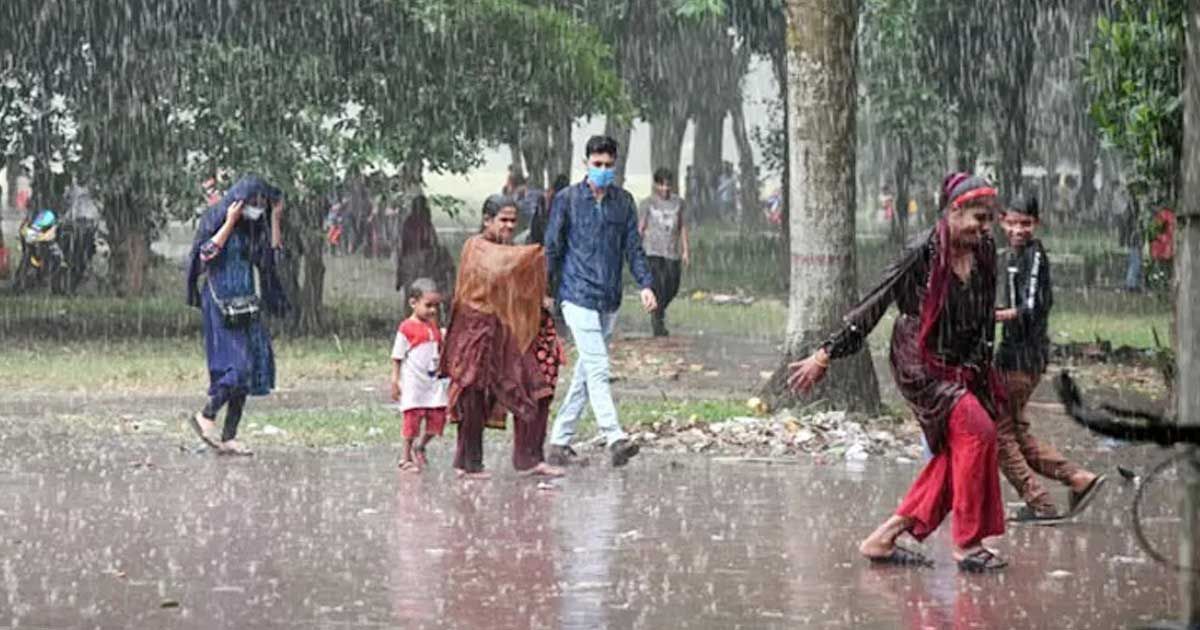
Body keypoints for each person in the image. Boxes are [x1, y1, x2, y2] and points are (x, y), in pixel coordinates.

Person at [790, 173, 1009, 572]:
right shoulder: (922, 249)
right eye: (979, 218)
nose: (984, 227)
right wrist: (827, 352)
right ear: (954, 211)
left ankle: (884, 538)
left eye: (989, 219)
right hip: (919, 362)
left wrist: (984, 368)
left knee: (956, 451)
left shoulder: (985, 251)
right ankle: (967, 543)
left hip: (962, 364)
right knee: (978, 432)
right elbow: (876, 299)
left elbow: (982, 316)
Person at [544, 135, 657, 468]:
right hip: (576, 293)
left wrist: (646, 284)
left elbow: (633, 249)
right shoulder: (567, 200)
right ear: (586, 163)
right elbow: (552, 247)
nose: (603, 170)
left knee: (586, 370)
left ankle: (559, 440)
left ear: (616, 165)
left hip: (609, 297)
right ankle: (615, 437)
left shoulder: (623, 202)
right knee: (597, 367)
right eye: (598, 165)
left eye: (609, 165)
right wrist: (546, 291)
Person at [994, 196, 1106, 523]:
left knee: (1001, 435)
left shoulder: (1035, 256)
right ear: (1002, 221)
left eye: (1024, 224)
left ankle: (1040, 502)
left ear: (1036, 224)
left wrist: (995, 316)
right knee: (1016, 430)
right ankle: (1076, 478)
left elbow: (1031, 308)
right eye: (1012, 223)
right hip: (1016, 356)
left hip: (1022, 357)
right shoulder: (1013, 256)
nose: (1017, 230)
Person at [439, 195, 565, 479]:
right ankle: (468, 464)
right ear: (487, 220)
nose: (509, 226)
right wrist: (537, 252)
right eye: (503, 220)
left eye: (512, 220)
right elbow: (499, 266)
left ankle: (529, 459)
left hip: (507, 332)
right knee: (473, 395)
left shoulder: (511, 252)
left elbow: (516, 287)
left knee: (533, 388)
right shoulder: (476, 247)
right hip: (475, 331)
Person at [185, 175, 289, 456]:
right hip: (220, 302)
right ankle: (206, 415)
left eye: (261, 203)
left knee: (253, 366)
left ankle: (229, 436)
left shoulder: (252, 229)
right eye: (253, 202)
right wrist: (229, 223)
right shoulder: (215, 219)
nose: (256, 207)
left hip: (246, 301)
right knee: (237, 366)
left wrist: (275, 218)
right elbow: (205, 255)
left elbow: (272, 256)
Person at [391, 278, 449, 473]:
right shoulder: (406, 328)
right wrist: (395, 380)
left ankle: (421, 445)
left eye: (436, 306)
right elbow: (397, 357)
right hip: (414, 385)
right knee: (411, 422)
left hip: (433, 384)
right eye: (428, 305)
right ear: (413, 303)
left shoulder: (434, 327)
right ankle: (405, 457)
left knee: (438, 420)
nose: (432, 310)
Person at [638, 167, 690, 337]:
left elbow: (682, 227)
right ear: (656, 185)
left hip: (672, 251)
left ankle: (658, 310)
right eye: (662, 185)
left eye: (668, 185)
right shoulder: (647, 203)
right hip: (652, 251)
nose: (665, 189)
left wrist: (685, 250)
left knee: (672, 286)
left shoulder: (679, 203)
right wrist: (636, 249)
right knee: (658, 286)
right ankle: (658, 320)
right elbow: (641, 226)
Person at [395, 194, 456, 305]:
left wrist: (399, 276)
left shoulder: (414, 223)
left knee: (415, 297)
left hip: (415, 264)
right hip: (419, 263)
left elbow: (403, 249)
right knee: (420, 297)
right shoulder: (416, 224)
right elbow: (405, 248)